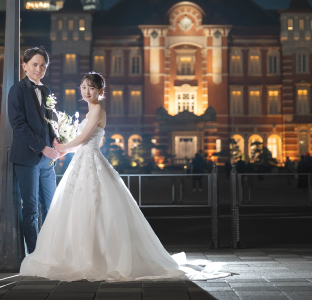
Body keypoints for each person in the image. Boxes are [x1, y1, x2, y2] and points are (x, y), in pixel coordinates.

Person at [20, 72, 185, 282]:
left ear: (100, 91)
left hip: (91, 160)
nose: (87, 92)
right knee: (80, 206)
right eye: (84, 87)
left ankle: (99, 257)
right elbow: (83, 143)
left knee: (96, 206)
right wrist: (64, 151)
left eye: (91, 88)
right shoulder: (90, 112)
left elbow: (83, 138)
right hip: (83, 159)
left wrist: (61, 147)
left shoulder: (98, 110)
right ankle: (80, 253)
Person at [9, 46, 62, 255]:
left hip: (47, 161)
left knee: (51, 206)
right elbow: (18, 125)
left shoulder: (46, 91)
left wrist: (55, 138)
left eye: (43, 66)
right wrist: (43, 147)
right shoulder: (17, 90)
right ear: (24, 66)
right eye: (34, 65)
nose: (39, 69)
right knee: (31, 209)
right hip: (26, 157)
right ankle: (34, 255)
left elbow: (49, 122)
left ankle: (49, 252)